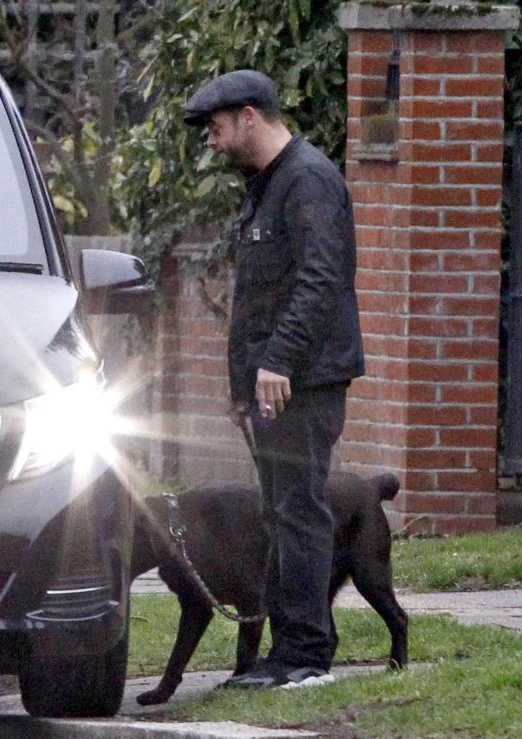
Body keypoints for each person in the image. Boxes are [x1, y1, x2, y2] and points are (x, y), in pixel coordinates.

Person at [183, 70, 365, 689]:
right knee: (280, 512)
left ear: (249, 118)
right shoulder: (268, 184)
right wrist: (242, 385)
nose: (211, 142)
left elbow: (321, 279)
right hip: (271, 385)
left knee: (298, 511)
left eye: (215, 128)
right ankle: (290, 649)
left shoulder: (307, 179)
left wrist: (279, 361)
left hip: (302, 382)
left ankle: (305, 656)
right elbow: (257, 297)